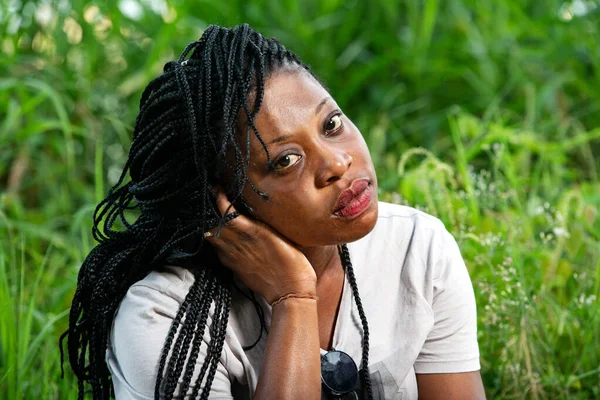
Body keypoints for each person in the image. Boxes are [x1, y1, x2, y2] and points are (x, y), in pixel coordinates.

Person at [61, 24, 486, 399]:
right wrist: (294, 297)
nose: (337, 164)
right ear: (221, 202)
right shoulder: (165, 317)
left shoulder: (416, 248)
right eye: (285, 161)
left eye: (332, 125)